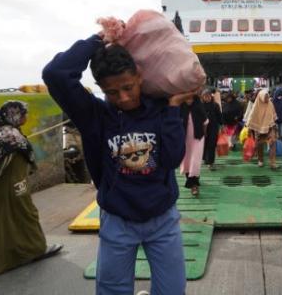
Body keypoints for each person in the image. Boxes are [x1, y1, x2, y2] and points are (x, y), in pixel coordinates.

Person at [43, 29, 193, 295]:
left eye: (128, 87)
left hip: (162, 219)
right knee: (112, 290)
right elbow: (56, 74)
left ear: (139, 76)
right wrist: (98, 39)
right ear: (101, 89)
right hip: (117, 219)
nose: (123, 97)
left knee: (172, 290)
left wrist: (172, 110)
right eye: (112, 92)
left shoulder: (161, 109)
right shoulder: (95, 116)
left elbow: (171, 159)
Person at [0, 100, 62, 276]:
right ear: (14, 115)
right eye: (24, 113)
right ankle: (34, 250)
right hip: (10, 187)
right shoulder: (11, 137)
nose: (26, 117)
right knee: (25, 215)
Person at [180, 94, 208, 196]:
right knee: (187, 161)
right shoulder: (181, 108)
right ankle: (193, 181)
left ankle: (193, 185)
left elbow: (205, 122)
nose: (189, 100)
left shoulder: (199, 107)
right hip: (185, 140)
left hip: (198, 138)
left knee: (195, 161)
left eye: (191, 98)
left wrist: (204, 135)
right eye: (187, 98)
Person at [246, 89, 279, 169]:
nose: (267, 99)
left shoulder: (270, 104)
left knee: (273, 143)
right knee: (260, 145)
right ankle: (260, 160)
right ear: (261, 97)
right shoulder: (256, 105)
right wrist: (249, 128)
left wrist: (274, 126)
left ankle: (272, 162)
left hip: (270, 127)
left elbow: (273, 114)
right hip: (259, 129)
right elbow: (251, 117)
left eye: (268, 96)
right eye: (265, 97)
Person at [201, 88, 222, 172]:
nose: (207, 97)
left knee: (212, 144)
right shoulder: (200, 105)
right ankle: (205, 158)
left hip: (213, 127)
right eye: (205, 96)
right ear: (202, 97)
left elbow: (219, 116)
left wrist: (221, 124)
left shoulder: (215, 105)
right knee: (204, 144)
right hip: (202, 128)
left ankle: (211, 162)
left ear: (211, 96)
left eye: (208, 96)